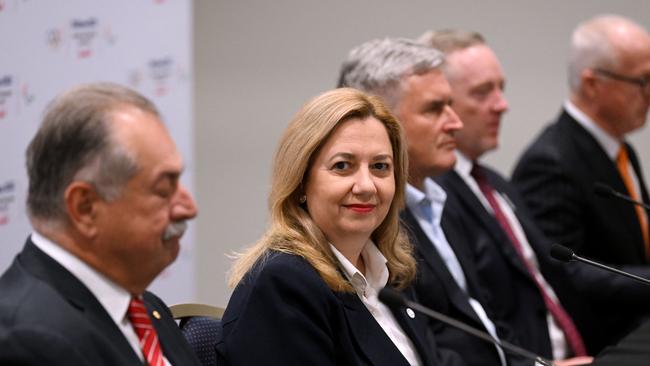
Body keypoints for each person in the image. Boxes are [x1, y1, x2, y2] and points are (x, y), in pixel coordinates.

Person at [216, 88, 454, 366]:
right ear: (301, 180)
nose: (366, 186)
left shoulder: (392, 276)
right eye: (343, 166)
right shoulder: (284, 285)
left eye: (380, 166)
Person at [339, 38, 521, 366]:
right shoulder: (367, 221)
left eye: (451, 104)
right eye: (435, 109)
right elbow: (423, 350)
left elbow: (486, 316)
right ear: (379, 120)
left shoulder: (441, 199)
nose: (455, 123)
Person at [420, 29, 594, 363]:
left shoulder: (496, 182)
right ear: (444, 104)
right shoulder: (433, 201)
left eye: (501, 88)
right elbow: (476, 317)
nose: (502, 105)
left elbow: (555, 272)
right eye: (483, 92)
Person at [0, 83, 201, 366]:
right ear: (85, 207)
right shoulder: (27, 342)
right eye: (163, 189)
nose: (189, 207)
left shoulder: (145, 309)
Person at [512, 15, 650, 352]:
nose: (649, 93)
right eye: (643, 81)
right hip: (604, 346)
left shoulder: (620, 147)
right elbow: (564, 273)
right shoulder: (550, 161)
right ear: (592, 84)